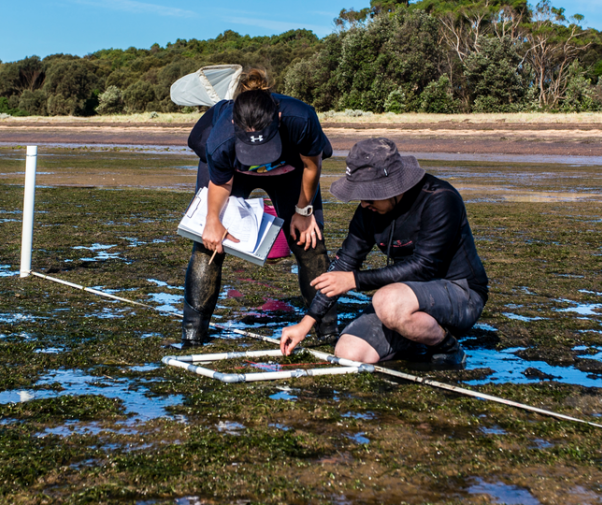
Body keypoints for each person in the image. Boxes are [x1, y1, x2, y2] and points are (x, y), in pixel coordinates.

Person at [279, 137, 488, 367]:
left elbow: (425, 267)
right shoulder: (368, 211)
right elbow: (343, 265)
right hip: (406, 300)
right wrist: (307, 322)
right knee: (348, 351)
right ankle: (417, 333)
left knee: (387, 301)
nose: (364, 202)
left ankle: (446, 345)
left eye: (369, 195)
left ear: (393, 187)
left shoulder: (440, 199)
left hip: (460, 293)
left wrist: (354, 280)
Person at [181, 69, 337, 346]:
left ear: (277, 119)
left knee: (310, 241)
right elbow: (222, 184)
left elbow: (312, 166)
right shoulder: (220, 139)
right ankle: (193, 334)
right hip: (232, 172)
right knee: (208, 245)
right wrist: (212, 220)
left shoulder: (300, 119)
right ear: (234, 124)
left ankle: (326, 331)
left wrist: (303, 212)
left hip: (289, 170)